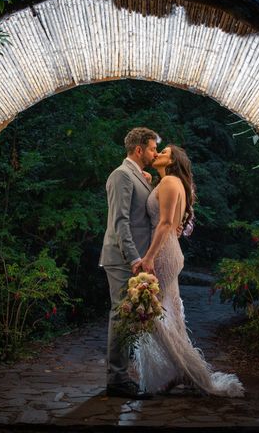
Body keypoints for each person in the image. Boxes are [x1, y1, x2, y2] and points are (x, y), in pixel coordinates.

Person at [135, 144, 246, 397]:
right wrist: (150, 183)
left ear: (173, 161)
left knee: (151, 313)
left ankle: (185, 369)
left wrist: (149, 257)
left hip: (162, 253)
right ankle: (180, 370)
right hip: (168, 249)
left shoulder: (171, 182)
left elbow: (164, 224)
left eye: (163, 152)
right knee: (168, 313)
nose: (158, 154)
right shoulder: (170, 183)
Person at [100, 127, 160, 399]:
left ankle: (121, 376)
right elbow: (120, 221)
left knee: (127, 317)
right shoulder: (121, 175)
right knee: (120, 314)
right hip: (122, 258)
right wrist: (135, 258)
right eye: (151, 148)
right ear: (139, 150)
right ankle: (117, 380)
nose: (154, 153)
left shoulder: (136, 176)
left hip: (134, 257)